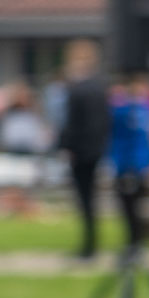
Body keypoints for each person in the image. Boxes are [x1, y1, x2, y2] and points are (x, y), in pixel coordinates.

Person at [56, 40, 112, 259]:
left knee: (84, 200)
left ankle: (88, 248)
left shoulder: (76, 90)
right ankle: (92, 245)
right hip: (96, 150)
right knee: (92, 199)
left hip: (80, 152)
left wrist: (65, 146)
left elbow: (71, 125)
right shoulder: (101, 89)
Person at [107, 75, 149, 250]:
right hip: (133, 164)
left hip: (131, 165)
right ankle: (135, 240)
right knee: (133, 206)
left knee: (132, 206)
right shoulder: (142, 111)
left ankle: (135, 240)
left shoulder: (124, 112)